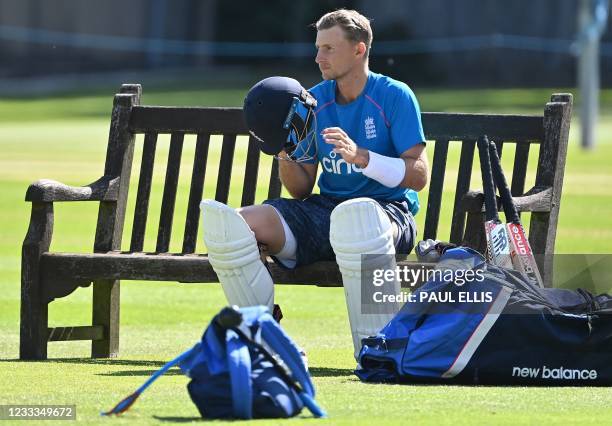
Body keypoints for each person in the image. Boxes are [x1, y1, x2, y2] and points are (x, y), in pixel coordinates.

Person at [200, 9, 429, 360]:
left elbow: (418, 174)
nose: (318, 57)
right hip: (326, 211)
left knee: (357, 219)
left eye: (328, 48)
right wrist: (283, 150)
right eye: (318, 48)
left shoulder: (394, 96)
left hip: (388, 214)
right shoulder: (311, 101)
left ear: (359, 49)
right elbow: (301, 189)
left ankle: (381, 353)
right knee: (232, 226)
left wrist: (362, 157)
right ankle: (266, 344)